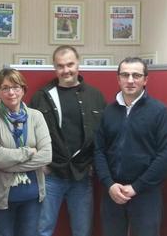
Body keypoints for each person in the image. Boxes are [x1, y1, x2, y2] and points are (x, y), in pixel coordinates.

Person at [94, 57, 167, 236]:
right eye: (125, 75)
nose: (130, 80)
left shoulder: (159, 112)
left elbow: (166, 156)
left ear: (145, 79)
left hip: (145, 194)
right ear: (118, 79)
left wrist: (136, 187)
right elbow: (98, 151)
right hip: (113, 193)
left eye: (136, 75)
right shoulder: (108, 112)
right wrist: (109, 184)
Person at [29, 45, 106, 236]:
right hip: (51, 176)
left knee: (82, 231)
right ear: (54, 68)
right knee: (42, 230)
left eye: (70, 64)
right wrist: (39, 164)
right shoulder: (42, 97)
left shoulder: (95, 96)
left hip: (82, 176)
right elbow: (28, 133)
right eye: (60, 66)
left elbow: (103, 136)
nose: (66, 70)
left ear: (78, 62)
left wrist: (95, 165)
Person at [0, 68, 52, 236]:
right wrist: (28, 152)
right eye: (5, 88)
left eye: (15, 87)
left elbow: (46, 155)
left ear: (23, 90)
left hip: (32, 198)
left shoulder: (37, 117)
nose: (11, 92)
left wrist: (7, 164)